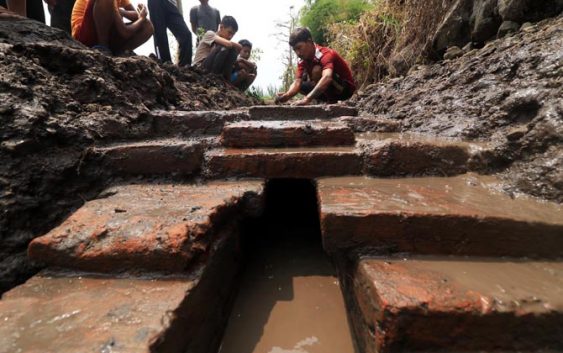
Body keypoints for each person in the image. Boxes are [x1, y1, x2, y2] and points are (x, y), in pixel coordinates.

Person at [276, 27, 356, 106]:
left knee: (317, 70)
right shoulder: (302, 60)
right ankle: (327, 100)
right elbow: (297, 82)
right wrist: (287, 95)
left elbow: (327, 77)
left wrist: (307, 99)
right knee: (300, 86)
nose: (298, 53)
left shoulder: (325, 54)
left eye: (299, 48)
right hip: (328, 91)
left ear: (309, 42)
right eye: (295, 50)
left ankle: (332, 101)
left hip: (345, 91)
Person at [71, 0, 153, 55]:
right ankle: (103, 47)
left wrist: (122, 12)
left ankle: (121, 52)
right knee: (141, 22)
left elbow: (136, 15)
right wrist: (142, 18)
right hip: (84, 37)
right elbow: (125, 32)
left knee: (147, 26)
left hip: (106, 36)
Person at [193, 15, 241, 81]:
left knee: (232, 51)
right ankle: (214, 77)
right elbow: (229, 44)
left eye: (233, 34)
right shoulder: (210, 34)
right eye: (229, 32)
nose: (230, 37)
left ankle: (226, 79)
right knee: (225, 47)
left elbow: (235, 49)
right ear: (221, 27)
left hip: (209, 67)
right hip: (199, 68)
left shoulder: (223, 40)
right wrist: (238, 46)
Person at [148, 0, 192, 66]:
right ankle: (165, 65)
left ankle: (185, 68)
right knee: (160, 35)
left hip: (171, 3)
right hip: (155, 2)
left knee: (186, 34)